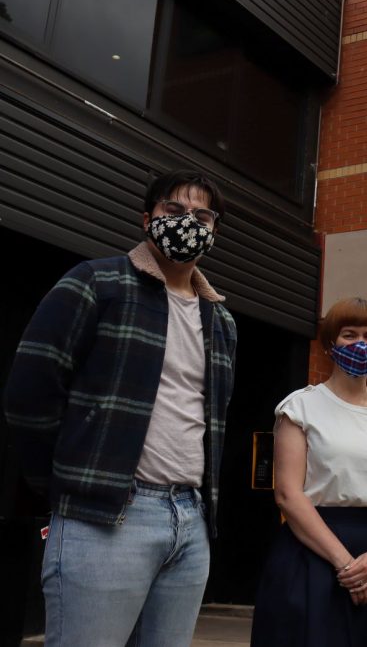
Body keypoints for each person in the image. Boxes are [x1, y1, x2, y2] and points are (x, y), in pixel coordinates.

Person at [3, 170, 237, 645]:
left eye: (202, 215)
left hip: (190, 521)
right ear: (147, 218)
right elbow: (29, 393)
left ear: (214, 231)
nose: (188, 221)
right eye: (174, 210)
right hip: (105, 518)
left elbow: (210, 422)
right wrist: (71, 484)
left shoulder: (221, 320)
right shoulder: (96, 282)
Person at [251, 297, 367, 646]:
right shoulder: (300, 406)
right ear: (330, 344)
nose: (361, 343)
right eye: (349, 334)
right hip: (314, 552)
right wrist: (347, 565)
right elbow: (288, 493)